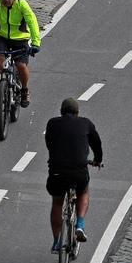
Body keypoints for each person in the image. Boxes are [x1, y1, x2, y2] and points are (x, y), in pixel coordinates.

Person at [45, 98, 103, 253]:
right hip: (78, 172)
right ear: (77, 113)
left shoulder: (52, 123)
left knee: (57, 202)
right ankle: (80, 224)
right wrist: (97, 160)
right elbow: (97, 144)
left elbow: (49, 143)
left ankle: (57, 242)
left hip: (57, 172)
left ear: (61, 112)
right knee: (83, 192)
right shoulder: (86, 123)